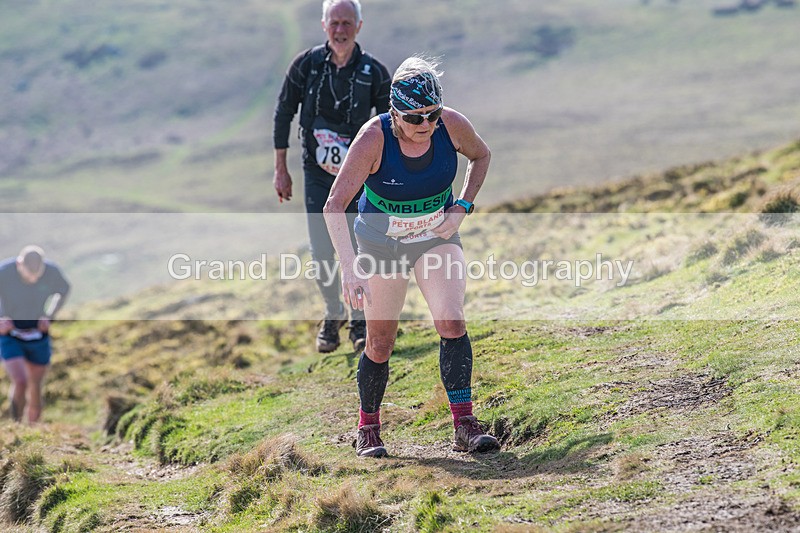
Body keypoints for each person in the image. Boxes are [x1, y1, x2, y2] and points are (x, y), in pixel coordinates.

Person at [324, 56, 500, 457]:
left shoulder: (452, 124)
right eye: (414, 118)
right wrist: (350, 269)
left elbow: (482, 155)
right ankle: (368, 427)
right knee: (381, 343)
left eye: (431, 114)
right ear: (394, 113)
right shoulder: (373, 139)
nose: (425, 125)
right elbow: (334, 205)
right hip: (380, 246)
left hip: (435, 240)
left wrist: (463, 206)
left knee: (451, 320)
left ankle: (465, 425)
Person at [272, 0, 391, 353]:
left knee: (357, 246)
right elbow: (283, 113)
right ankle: (333, 311)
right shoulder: (306, 66)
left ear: (359, 26)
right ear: (324, 25)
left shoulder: (374, 72)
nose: (340, 30)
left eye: (347, 23)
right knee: (322, 249)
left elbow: (390, 126)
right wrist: (281, 168)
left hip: (359, 176)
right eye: (334, 23)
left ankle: (359, 321)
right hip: (317, 174)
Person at [0, 245, 70, 423]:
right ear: (18, 264)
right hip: (9, 334)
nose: (32, 280)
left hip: (37, 333)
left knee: (35, 385)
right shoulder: (4, 272)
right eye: (28, 275)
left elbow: (64, 290)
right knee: (21, 380)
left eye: (36, 277)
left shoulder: (52, 272)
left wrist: (50, 316)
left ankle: (33, 428)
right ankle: (16, 425)